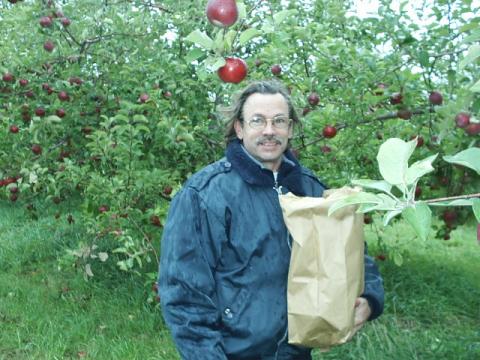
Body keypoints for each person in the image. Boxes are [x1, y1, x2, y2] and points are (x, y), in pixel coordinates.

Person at [158, 80, 384, 359]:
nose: (269, 131)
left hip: (295, 352)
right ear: (239, 129)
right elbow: (184, 295)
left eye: (279, 121)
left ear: (290, 129)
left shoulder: (310, 189)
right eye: (258, 121)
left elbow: (353, 251)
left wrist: (370, 298)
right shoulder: (205, 195)